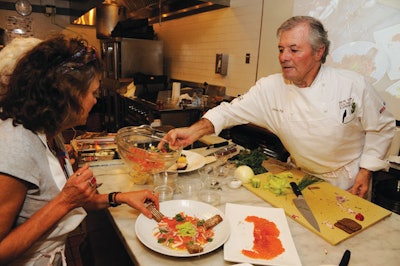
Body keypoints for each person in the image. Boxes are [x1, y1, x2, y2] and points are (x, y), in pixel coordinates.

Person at [161, 16, 396, 198]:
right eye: (281, 49)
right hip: (299, 175)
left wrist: (366, 171)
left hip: (347, 182)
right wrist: (192, 132)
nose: (284, 57)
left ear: (319, 52)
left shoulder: (353, 85)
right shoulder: (270, 87)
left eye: (294, 50)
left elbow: (382, 127)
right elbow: (228, 111)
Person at [0, 35, 159, 265]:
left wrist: (121, 197)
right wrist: (65, 200)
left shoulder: (49, 132)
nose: (95, 101)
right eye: (92, 93)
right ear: (68, 94)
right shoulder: (15, 145)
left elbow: (73, 200)